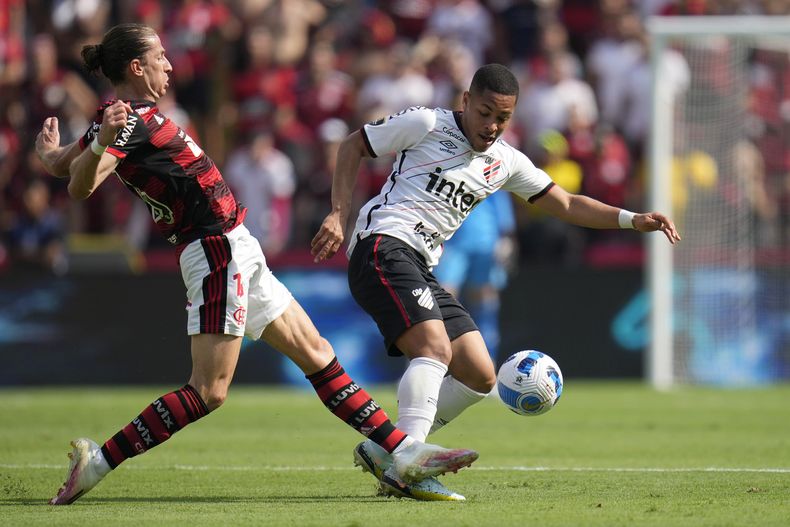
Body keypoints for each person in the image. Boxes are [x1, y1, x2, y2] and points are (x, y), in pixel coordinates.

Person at [35, 23, 478, 506]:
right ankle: (96, 463)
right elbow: (82, 184)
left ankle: (404, 453)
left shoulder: (123, 119)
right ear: (136, 67)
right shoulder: (129, 123)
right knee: (209, 391)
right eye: (160, 56)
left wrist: (50, 152)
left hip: (235, 244)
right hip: (214, 248)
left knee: (318, 353)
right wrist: (98, 145)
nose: (169, 63)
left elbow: (66, 165)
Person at [311, 63, 681, 501]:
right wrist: (337, 213)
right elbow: (355, 144)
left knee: (478, 375)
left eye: (502, 118)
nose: (492, 126)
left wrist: (631, 219)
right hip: (383, 245)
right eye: (485, 112)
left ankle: (380, 449)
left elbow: (565, 203)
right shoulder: (426, 123)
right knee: (434, 348)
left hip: (420, 264)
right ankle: (406, 461)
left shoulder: (506, 162)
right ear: (465, 101)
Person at [432, 189, 516, 362]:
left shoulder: (492, 173)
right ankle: (434, 359)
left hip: (486, 243)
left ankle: (487, 361)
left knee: (484, 300)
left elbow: (505, 217)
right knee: (442, 298)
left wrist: (506, 241)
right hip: (452, 243)